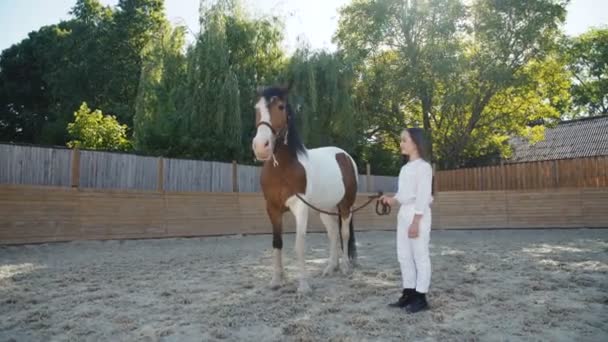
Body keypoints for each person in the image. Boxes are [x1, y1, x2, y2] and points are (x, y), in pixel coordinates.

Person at [380, 127, 433, 314]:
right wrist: (391, 200)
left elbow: (423, 196)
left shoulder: (424, 167)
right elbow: (403, 195)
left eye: (404, 140)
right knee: (404, 255)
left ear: (416, 143)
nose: (401, 143)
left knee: (420, 255)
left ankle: (421, 297)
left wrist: (416, 221)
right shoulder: (405, 168)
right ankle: (409, 292)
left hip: (417, 214)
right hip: (404, 213)